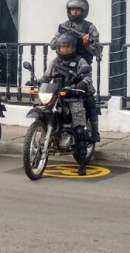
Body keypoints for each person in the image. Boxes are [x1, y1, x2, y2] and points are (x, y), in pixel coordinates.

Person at [37, 32, 94, 175]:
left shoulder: (80, 61)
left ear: (73, 47)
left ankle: (82, 163)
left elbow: (88, 78)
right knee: (43, 113)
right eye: (62, 47)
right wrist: (36, 82)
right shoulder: (55, 62)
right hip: (56, 97)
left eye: (67, 47)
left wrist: (81, 83)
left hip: (74, 97)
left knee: (79, 127)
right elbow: (46, 76)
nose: (65, 50)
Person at [49, 0, 101, 142]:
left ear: (83, 11)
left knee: (89, 95)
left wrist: (85, 44)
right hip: (63, 65)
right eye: (72, 9)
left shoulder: (90, 28)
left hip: (81, 66)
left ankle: (94, 132)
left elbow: (97, 51)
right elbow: (53, 45)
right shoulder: (64, 25)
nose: (74, 12)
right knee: (53, 94)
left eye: (77, 9)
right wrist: (65, 37)